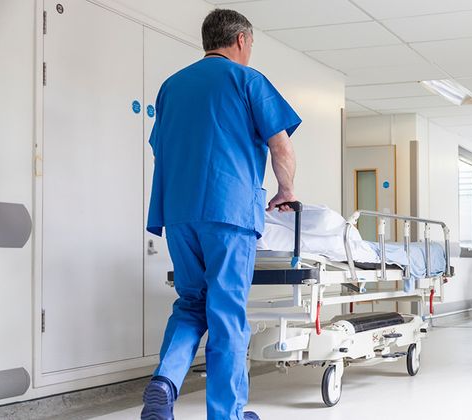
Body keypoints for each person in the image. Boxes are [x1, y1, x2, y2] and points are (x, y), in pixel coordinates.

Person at [141, 9, 302, 420]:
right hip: (229, 214)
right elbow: (281, 147)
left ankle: (165, 381)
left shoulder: (171, 87)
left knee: (192, 302)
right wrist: (286, 191)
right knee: (227, 310)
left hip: (178, 212)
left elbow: (160, 148)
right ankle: (226, 413)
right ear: (242, 40)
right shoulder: (249, 80)